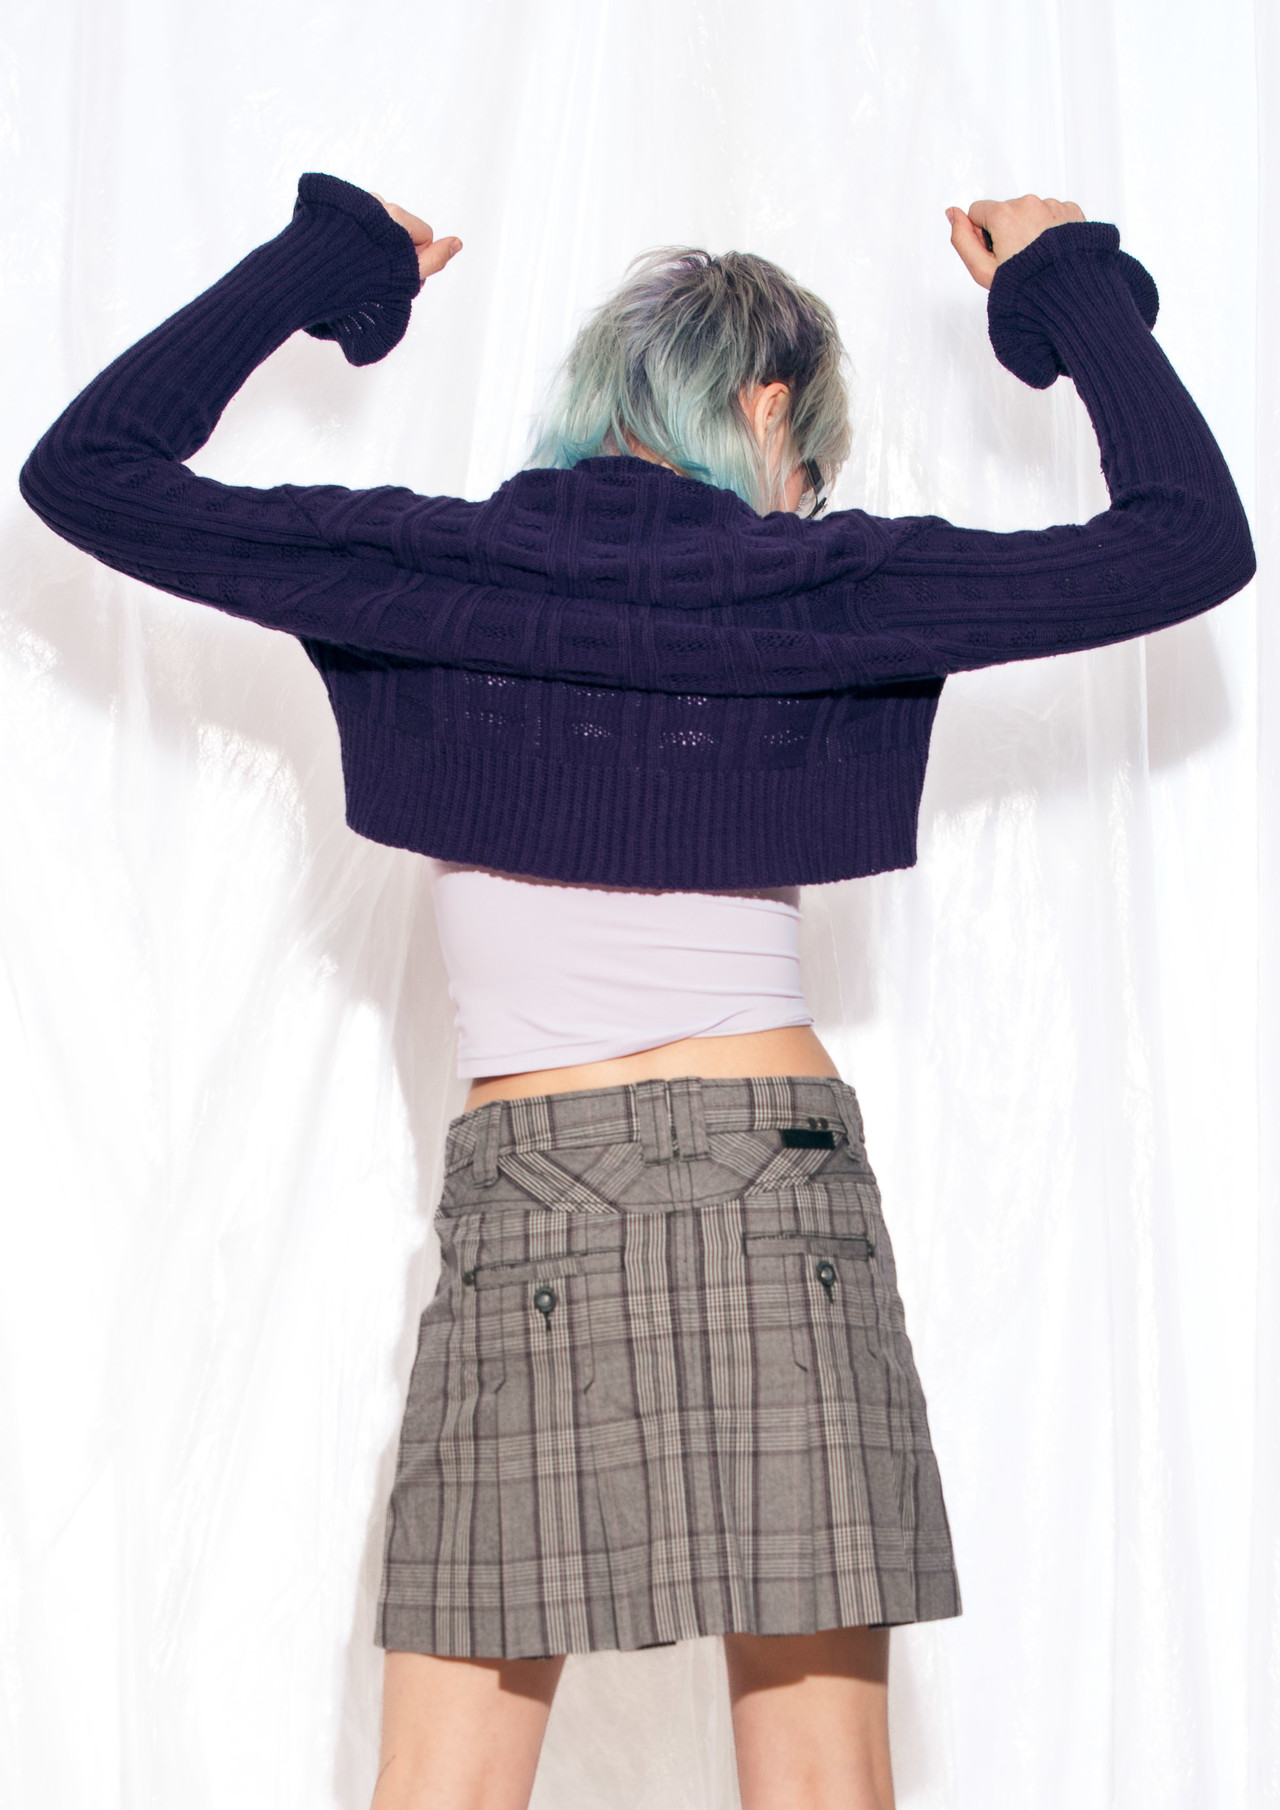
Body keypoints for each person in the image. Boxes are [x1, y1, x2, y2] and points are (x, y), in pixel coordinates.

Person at [19, 174, 1254, 1810]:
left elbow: (89, 469)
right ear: (768, 406)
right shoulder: (825, 584)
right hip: (775, 1185)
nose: (804, 502)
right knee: (821, 1786)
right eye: (810, 463)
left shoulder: (432, 570)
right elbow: (1189, 536)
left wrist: (331, 260)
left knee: (442, 1787)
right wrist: (1062, 282)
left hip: (532, 1188)